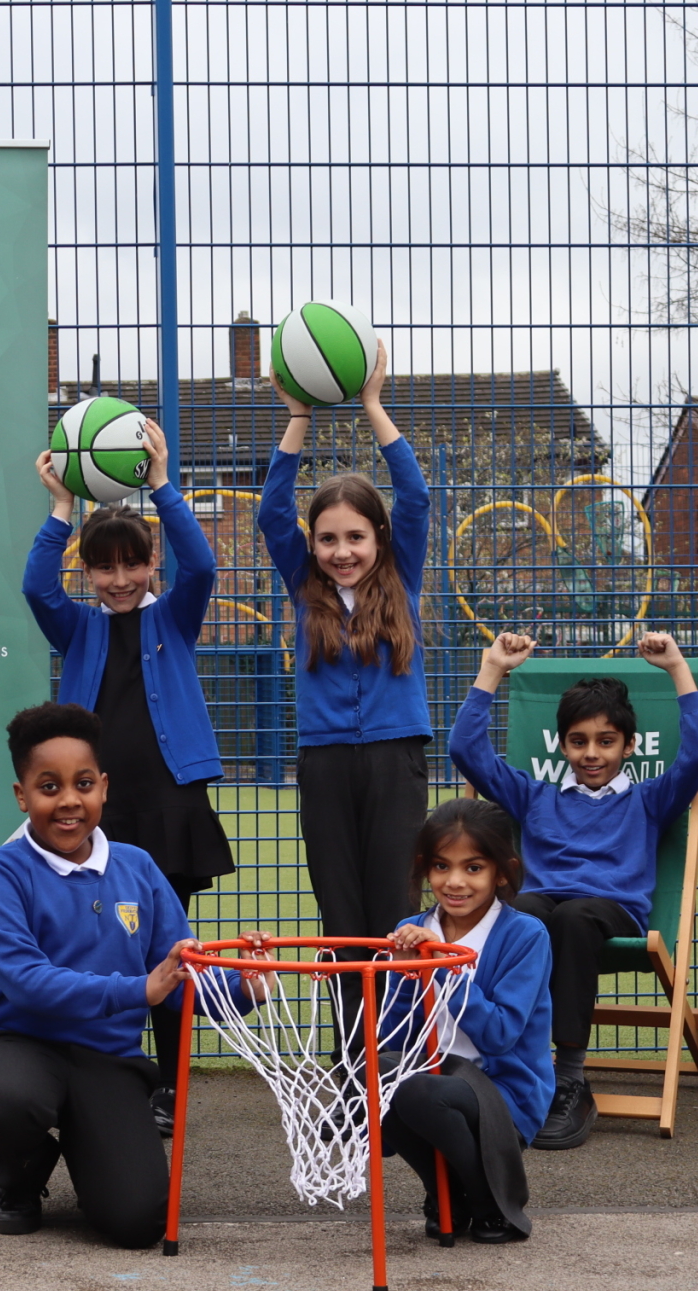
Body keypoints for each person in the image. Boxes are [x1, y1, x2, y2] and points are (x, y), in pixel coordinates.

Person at [0, 702, 262, 1247]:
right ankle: (20, 1178)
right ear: (22, 796)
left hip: (106, 1058)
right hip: (19, 1044)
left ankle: (93, 1137)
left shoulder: (138, 868)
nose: (69, 801)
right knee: (5, 1104)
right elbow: (27, 981)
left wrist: (246, 988)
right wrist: (137, 988)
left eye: (83, 784)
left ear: (103, 787)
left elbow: (177, 981)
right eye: (49, 787)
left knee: (138, 1222)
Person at [25, 424, 234, 1132]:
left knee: (169, 949)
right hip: (99, 815)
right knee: (97, 946)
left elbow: (202, 565)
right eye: (103, 569)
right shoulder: (78, 628)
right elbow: (34, 586)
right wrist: (61, 508)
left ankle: (171, 1087)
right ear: (88, 574)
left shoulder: (176, 615)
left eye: (132, 565)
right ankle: (109, 1076)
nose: (118, 580)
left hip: (167, 804)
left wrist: (163, 485)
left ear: (151, 565)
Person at [447, 630, 698, 1148]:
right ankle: (499, 1060)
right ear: (562, 744)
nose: (592, 754)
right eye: (579, 741)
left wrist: (679, 671)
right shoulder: (535, 797)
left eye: (606, 741)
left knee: (571, 919)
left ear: (628, 745)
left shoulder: (650, 800)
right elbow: (465, 749)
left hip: (609, 912)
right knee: (516, 912)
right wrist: (493, 669)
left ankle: (569, 1078)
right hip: (544, 910)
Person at [258, 339, 429, 1057]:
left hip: (395, 759)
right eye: (327, 537)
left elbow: (416, 495)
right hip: (326, 763)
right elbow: (272, 512)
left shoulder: (404, 576)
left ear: (378, 537)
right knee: (339, 911)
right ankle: (352, 1052)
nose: (341, 550)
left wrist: (372, 407)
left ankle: (398, 1050)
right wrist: (298, 416)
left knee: (393, 904)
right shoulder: (306, 586)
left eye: (355, 536)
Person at [383, 798, 555, 1244]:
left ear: (502, 871)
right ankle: (444, 1194)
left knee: (420, 1090)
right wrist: (405, 975)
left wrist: (439, 966)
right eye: (441, 866)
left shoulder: (524, 934)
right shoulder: (411, 929)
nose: (454, 881)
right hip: (435, 1079)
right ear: (426, 869)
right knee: (382, 1075)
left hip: (502, 1089)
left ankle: (490, 1200)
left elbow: (500, 1035)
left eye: (473, 868)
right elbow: (393, 1038)